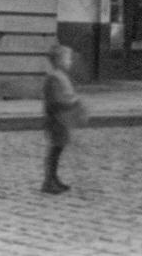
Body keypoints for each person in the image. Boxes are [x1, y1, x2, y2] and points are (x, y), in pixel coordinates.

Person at [42, 45, 81, 194]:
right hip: (56, 120)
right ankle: (48, 181)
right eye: (68, 59)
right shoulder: (54, 78)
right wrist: (72, 102)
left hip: (63, 119)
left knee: (58, 150)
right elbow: (56, 100)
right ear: (58, 61)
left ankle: (54, 178)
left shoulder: (61, 76)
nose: (70, 62)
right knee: (55, 150)